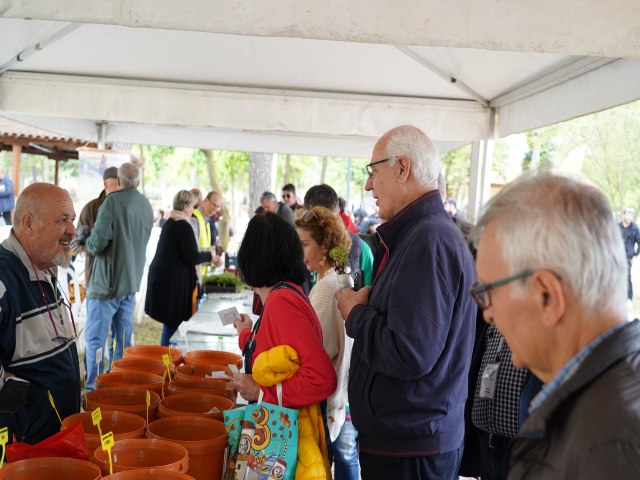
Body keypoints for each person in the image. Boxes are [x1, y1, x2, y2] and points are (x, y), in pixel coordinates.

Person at [471, 173, 640, 479]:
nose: (487, 314)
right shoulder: (605, 406)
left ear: (546, 296)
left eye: (488, 292)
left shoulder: (610, 446)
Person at [336, 125, 476, 479]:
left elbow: (410, 352)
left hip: (411, 450)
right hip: (407, 442)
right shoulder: (420, 235)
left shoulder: (429, 240)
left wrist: (356, 313)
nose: (368, 185)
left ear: (402, 168)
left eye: (373, 172)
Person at [0, 183, 81, 443]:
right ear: (29, 223)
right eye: (61, 220)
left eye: (72, 220)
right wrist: (26, 407)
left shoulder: (43, 264)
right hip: (25, 450)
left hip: (56, 438)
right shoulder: (4, 279)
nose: (72, 230)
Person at [231, 212, 336, 405]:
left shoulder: (282, 302)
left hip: (287, 422)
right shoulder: (281, 295)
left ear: (253, 258)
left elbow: (321, 379)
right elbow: (274, 350)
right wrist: (245, 333)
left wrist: (260, 392)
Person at [295, 206, 359, 480]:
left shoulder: (325, 286)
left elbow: (314, 349)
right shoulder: (340, 276)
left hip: (331, 396)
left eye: (305, 244)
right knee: (348, 459)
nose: (301, 252)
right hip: (345, 392)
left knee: (341, 460)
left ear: (324, 246)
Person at [82, 163, 153, 391]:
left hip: (106, 285)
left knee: (96, 340)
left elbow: (96, 244)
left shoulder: (111, 202)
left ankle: (95, 389)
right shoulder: (146, 204)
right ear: (137, 181)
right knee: (122, 340)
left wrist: (85, 238)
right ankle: (119, 387)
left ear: (119, 181)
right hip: (130, 283)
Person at [145, 190, 216, 346]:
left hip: (166, 281)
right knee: (174, 324)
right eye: (192, 207)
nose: (193, 210)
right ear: (185, 206)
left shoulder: (172, 222)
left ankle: (169, 355)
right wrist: (210, 256)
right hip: (172, 285)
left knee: (172, 324)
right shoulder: (183, 225)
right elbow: (192, 257)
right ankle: (168, 356)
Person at [304, 184, 374, 287]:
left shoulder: (361, 249)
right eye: (317, 221)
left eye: (327, 221)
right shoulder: (297, 249)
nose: (322, 228)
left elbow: (370, 292)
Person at [76, 166, 119, 289]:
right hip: (96, 276)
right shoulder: (90, 208)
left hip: (120, 277)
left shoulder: (126, 208)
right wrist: (95, 247)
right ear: (105, 184)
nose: (118, 188)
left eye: (120, 184)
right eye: (115, 184)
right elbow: (78, 241)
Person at [619, 207, 640, 305]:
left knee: (627, 276)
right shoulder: (617, 227)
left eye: (631, 216)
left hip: (628, 257)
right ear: (623, 216)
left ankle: (629, 298)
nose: (629, 217)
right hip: (617, 256)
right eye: (627, 215)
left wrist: (635, 255)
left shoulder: (635, 228)